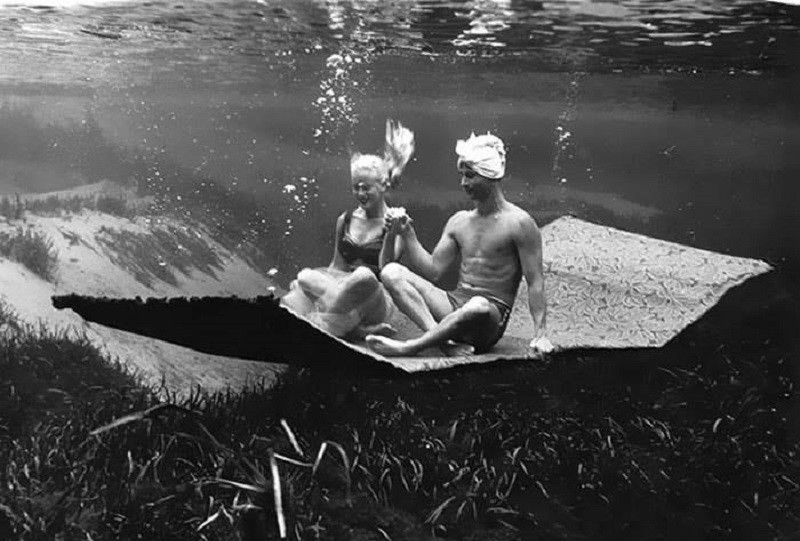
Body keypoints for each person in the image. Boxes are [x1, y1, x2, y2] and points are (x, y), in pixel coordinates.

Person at [365, 132, 554, 357]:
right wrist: (407, 234)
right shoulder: (459, 221)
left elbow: (535, 282)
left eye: (471, 175)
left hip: (488, 318)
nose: (464, 183)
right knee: (391, 272)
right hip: (455, 304)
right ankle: (442, 341)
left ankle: (412, 347)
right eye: (462, 175)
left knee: (477, 305)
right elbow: (433, 271)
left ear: (490, 176)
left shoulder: (519, 223)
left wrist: (540, 334)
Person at [280, 119, 414, 339]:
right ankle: (354, 329)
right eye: (356, 187)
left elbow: (386, 270)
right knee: (304, 277)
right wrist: (312, 287)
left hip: (377, 299)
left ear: (383, 186)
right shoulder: (346, 220)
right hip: (342, 293)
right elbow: (337, 266)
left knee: (363, 276)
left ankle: (325, 326)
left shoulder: (396, 223)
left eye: (366, 188)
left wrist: (391, 233)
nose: (360, 194)